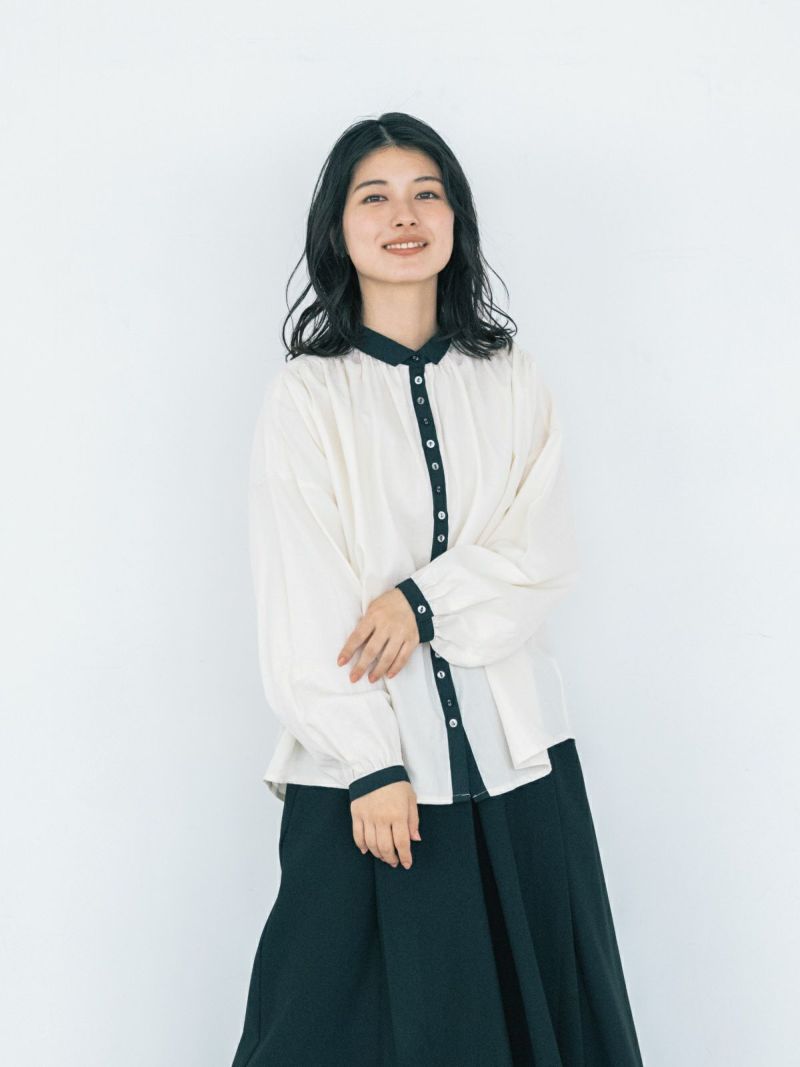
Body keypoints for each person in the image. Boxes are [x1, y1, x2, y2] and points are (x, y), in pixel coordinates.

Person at [230, 111, 645, 1067]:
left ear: (457, 216)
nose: (403, 215)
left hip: (518, 762)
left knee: (541, 1017)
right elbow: (301, 592)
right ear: (339, 228)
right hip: (369, 778)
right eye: (374, 197)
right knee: (324, 1025)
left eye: (427, 193)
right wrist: (372, 763)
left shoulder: (512, 379)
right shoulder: (308, 398)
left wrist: (420, 604)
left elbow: (541, 553)